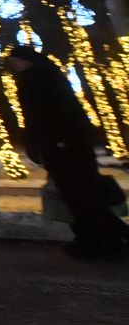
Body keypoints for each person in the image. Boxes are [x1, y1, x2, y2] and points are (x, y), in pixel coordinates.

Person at [7, 46, 129, 260]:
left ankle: (100, 241)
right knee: (81, 198)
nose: (15, 66)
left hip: (63, 147)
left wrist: (52, 142)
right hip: (66, 146)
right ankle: (95, 241)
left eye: (17, 61)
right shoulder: (45, 77)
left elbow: (44, 116)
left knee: (80, 198)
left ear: (28, 61)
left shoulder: (36, 80)